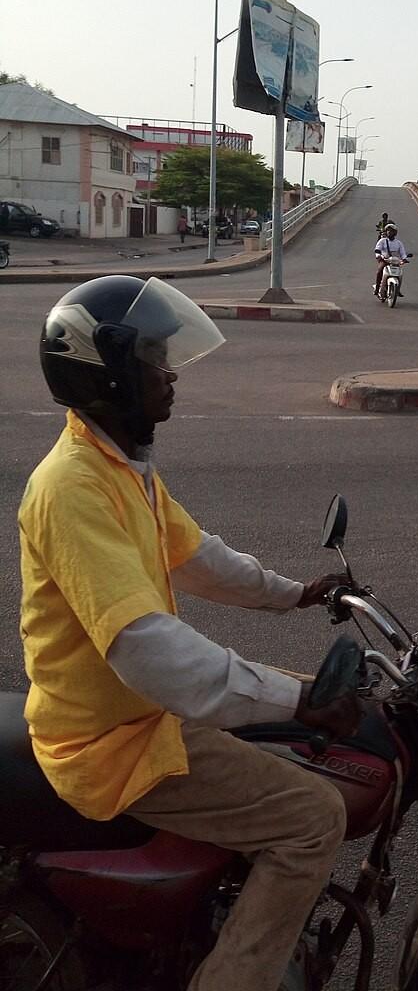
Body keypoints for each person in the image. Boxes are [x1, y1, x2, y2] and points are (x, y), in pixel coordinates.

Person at [18, 275, 361, 991]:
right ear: (107, 373)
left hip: (139, 715)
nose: (170, 375)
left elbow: (197, 555)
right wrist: (295, 702)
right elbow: (149, 650)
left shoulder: (122, 467)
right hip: (111, 745)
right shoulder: (72, 487)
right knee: (313, 817)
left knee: (336, 720)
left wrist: (295, 594)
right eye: (154, 359)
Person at [374, 222, 410, 296]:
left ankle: (397, 289)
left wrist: (404, 259)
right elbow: (377, 249)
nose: (390, 232)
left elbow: (402, 253)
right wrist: (378, 255)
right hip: (385, 260)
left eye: (392, 231)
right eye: (388, 230)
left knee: (400, 274)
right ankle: (377, 289)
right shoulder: (382, 241)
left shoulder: (399, 243)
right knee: (379, 271)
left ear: (395, 233)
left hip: (395, 262)